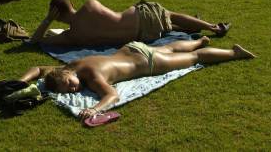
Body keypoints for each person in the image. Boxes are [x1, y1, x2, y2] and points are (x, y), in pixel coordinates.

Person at [19, 36, 255, 121]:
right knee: (171, 48)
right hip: (132, 49)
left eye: (70, 84)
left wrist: (95, 109)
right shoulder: (71, 66)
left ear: (67, 73)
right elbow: (39, 68)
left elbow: (112, 95)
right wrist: (22, 81)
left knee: (193, 59)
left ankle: (234, 53)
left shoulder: (90, 76)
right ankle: (200, 39)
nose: (73, 90)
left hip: (148, 63)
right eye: (69, 90)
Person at [30, 0, 231, 46]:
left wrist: (48, 20)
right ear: (71, 4)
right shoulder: (89, 5)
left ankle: (190, 25)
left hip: (139, 36)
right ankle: (214, 27)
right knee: (170, 15)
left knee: (166, 22)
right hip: (139, 18)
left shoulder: (72, 35)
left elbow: (35, 41)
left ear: (56, 14)